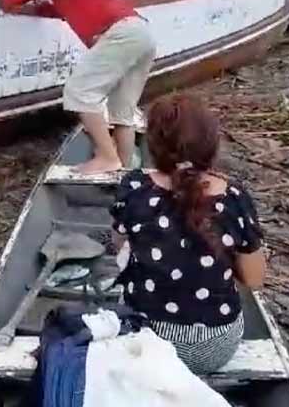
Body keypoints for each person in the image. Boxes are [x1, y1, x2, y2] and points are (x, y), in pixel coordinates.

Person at [0, 0, 156, 174]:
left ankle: (107, 157)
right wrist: (37, 7)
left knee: (79, 92)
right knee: (122, 110)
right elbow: (58, 9)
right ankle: (124, 168)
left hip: (121, 35)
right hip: (142, 34)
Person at [109, 93, 265, 373]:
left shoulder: (134, 188)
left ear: (153, 146)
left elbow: (118, 244)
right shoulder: (235, 197)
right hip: (214, 347)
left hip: (145, 340)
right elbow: (253, 279)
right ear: (212, 145)